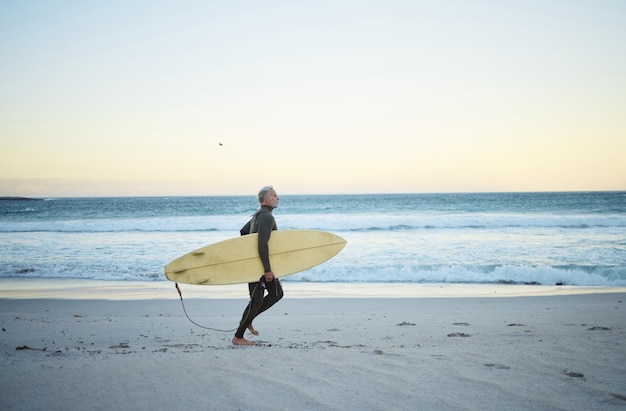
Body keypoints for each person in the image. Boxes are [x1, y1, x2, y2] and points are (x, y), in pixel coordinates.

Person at [232, 186, 284, 346]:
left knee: (274, 294)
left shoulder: (257, 216)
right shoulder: (266, 217)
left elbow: (243, 231)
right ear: (267, 199)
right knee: (260, 299)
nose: (278, 198)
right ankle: (238, 337)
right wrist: (267, 269)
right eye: (275, 195)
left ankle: (248, 319)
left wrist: (250, 255)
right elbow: (262, 243)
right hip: (260, 267)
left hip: (256, 264)